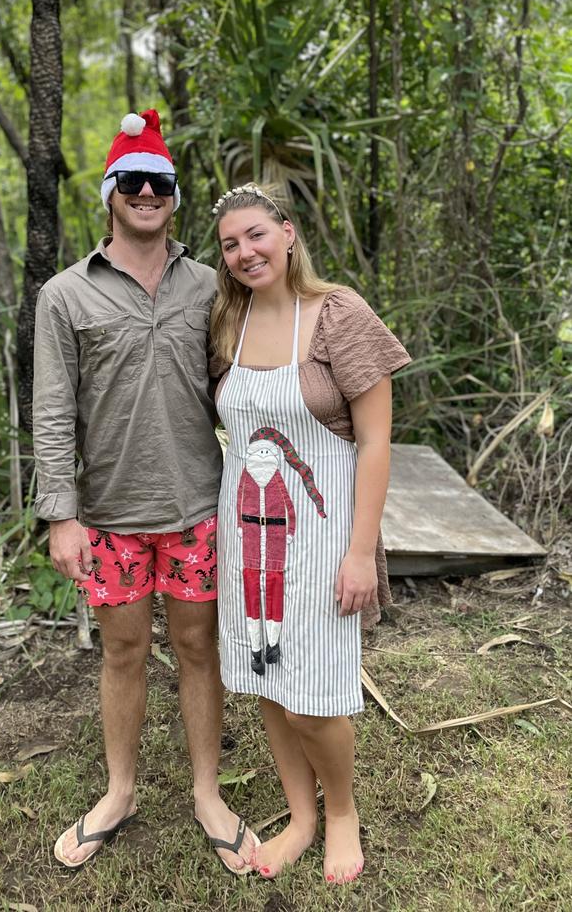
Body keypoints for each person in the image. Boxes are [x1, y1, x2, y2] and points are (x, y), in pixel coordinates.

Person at [32, 112, 258, 874]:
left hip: (197, 504)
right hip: (110, 517)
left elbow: (252, 375)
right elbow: (54, 410)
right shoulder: (66, 295)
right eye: (130, 181)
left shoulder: (211, 284)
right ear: (110, 195)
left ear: (174, 196)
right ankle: (119, 791)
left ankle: (206, 792)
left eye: (158, 182)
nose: (145, 193)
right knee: (123, 653)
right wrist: (61, 514)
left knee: (199, 648)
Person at [209, 183, 411, 885]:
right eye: (231, 243)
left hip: (324, 536)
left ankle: (343, 810)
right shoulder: (225, 322)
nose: (245, 253)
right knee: (267, 678)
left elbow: (377, 444)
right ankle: (300, 815)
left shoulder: (339, 314)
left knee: (313, 693)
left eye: (257, 235)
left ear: (289, 233)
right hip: (247, 533)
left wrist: (361, 552)